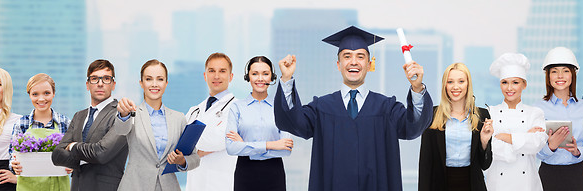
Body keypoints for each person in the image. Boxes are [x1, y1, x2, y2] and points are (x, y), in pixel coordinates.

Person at [273, 26, 434, 191]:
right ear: (338, 64)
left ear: (370, 64)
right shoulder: (322, 108)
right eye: (347, 56)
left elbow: (414, 126)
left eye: (360, 56)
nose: (354, 62)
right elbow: (293, 121)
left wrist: (417, 87)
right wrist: (286, 79)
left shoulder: (387, 108)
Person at [114, 59, 201, 191]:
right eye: (149, 79)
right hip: (135, 186)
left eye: (160, 79)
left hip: (168, 186)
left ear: (166, 83)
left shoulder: (179, 118)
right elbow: (120, 130)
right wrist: (123, 114)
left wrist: (181, 161)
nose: (154, 84)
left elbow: (195, 158)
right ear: (141, 83)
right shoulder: (132, 113)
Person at [51, 59, 129, 191]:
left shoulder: (121, 115)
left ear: (113, 84)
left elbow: (101, 154)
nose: (100, 84)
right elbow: (57, 155)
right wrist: (86, 157)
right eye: (94, 79)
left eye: (106, 79)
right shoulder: (79, 116)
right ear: (87, 85)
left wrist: (73, 146)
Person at [418, 63, 493, 191]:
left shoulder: (482, 116)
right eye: (450, 82)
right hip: (440, 185)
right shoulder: (432, 115)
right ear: (445, 86)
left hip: (472, 185)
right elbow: (425, 164)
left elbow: (485, 164)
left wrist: (484, 141)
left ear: (468, 85)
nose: (456, 86)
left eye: (461, 81)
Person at [225, 56, 293, 191]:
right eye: (255, 74)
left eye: (265, 74)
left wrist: (245, 146)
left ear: (272, 77)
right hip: (245, 174)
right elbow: (231, 148)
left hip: (274, 174)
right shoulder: (237, 107)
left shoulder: (280, 107)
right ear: (248, 77)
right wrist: (271, 145)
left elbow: (286, 149)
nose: (260, 78)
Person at [482, 53, 549, 191]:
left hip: (527, 185)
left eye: (515, 82)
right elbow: (490, 148)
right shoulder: (490, 112)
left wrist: (504, 137)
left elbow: (537, 144)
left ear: (524, 85)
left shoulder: (535, 113)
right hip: (497, 185)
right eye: (505, 82)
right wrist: (525, 137)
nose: (509, 88)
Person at [533, 47, 583, 191]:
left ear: (573, 75)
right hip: (548, 174)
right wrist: (550, 147)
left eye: (565, 71)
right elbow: (535, 149)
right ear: (548, 76)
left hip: (577, 174)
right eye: (554, 71)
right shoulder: (538, 109)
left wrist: (578, 151)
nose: (560, 76)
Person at [10, 73, 72, 191]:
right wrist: (13, 165)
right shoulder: (21, 124)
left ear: (54, 93)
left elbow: (74, 154)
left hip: (58, 187)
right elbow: (12, 155)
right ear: (29, 96)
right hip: (28, 187)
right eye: (35, 94)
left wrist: (72, 164)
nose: (41, 99)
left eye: (46, 93)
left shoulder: (65, 123)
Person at [185, 53, 238, 191]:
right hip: (194, 185)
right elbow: (178, 143)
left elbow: (218, 139)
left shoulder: (237, 109)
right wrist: (198, 151)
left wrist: (190, 147)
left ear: (230, 76)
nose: (216, 76)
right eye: (212, 71)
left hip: (221, 185)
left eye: (222, 71)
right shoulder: (194, 111)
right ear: (205, 75)